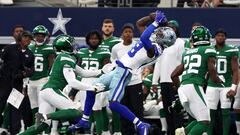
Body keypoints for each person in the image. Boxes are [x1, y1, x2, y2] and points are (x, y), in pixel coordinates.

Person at [70, 10, 176, 135]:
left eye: (161, 34)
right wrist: (150, 17)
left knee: (113, 103)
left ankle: (141, 124)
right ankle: (84, 120)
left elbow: (143, 37)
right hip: (117, 70)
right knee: (91, 89)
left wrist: (156, 22)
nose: (158, 33)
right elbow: (139, 24)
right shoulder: (154, 41)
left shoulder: (157, 50)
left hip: (125, 72)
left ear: (164, 40)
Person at [19, 34, 106, 135]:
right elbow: (72, 82)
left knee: (41, 126)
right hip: (52, 90)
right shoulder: (66, 58)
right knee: (75, 111)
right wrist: (92, 88)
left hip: (45, 91)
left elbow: (83, 72)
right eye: (72, 44)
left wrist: (101, 71)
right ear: (66, 47)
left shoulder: (63, 57)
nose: (74, 46)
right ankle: (46, 116)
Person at [171, 26, 223, 135]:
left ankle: (182, 132)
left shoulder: (187, 52)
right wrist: (219, 80)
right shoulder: (208, 50)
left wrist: (180, 89)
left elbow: (174, 75)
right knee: (205, 122)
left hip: (184, 86)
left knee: (199, 119)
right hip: (194, 86)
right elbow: (212, 72)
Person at [75, 30, 111, 135]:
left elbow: (107, 70)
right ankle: (88, 132)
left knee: (97, 109)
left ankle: (100, 132)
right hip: (84, 81)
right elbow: (77, 68)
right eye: (91, 38)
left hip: (98, 81)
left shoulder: (104, 52)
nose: (93, 40)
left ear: (99, 40)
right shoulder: (81, 52)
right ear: (87, 40)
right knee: (86, 110)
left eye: (95, 38)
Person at [111, 23, 143, 135]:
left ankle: (140, 131)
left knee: (138, 110)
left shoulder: (138, 46)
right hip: (123, 83)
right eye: (126, 31)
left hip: (136, 82)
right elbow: (114, 62)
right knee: (124, 111)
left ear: (133, 34)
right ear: (122, 34)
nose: (128, 33)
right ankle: (126, 132)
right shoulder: (116, 48)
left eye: (130, 31)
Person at [205, 28, 239, 135]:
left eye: (222, 35)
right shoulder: (209, 50)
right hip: (212, 84)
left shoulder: (231, 50)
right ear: (215, 37)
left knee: (225, 112)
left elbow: (235, 70)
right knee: (210, 112)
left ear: (225, 37)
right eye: (218, 35)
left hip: (226, 85)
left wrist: (233, 88)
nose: (220, 37)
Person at [0, 31, 33, 128]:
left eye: (29, 38)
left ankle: (14, 131)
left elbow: (31, 70)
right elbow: (1, 60)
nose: (27, 39)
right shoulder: (9, 48)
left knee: (15, 108)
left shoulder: (30, 54)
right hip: (4, 82)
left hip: (17, 84)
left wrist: (25, 73)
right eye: (25, 37)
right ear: (20, 38)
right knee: (0, 105)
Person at [28, 25, 55, 122]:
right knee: (33, 105)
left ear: (45, 36)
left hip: (42, 79)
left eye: (42, 35)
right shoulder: (29, 47)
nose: (40, 37)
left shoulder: (49, 48)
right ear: (34, 36)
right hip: (30, 80)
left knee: (43, 105)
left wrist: (49, 78)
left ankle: (44, 129)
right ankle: (35, 127)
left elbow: (51, 65)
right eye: (38, 35)